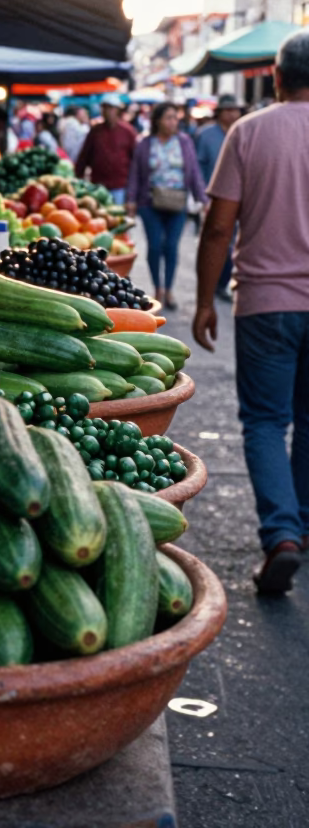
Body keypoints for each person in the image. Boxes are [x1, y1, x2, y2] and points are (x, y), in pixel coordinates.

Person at [193, 30, 309, 594]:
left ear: (276, 76)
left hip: (265, 303)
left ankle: (281, 535)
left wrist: (200, 300)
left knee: (266, 420)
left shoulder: (249, 131)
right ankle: (300, 529)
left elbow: (219, 226)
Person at [126, 102, 207, 309]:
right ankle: (158, 288)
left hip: (177, 202)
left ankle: (169, 289)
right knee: (154, 245)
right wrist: (131, 200)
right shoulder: (145, 143)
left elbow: (195, 172)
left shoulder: (185, 142)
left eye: (175, 117)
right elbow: (135, 173)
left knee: (171, 246)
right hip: (149, 202)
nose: (173, 121)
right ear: (157, 121)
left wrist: (203, 199)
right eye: (168, 117)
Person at [195, 93, 243, 301]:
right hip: (213, 197)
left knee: (234, 242)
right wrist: (201, 196)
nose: (233, 114)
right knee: (217, 237)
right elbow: (198, 167)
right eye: (228, 110)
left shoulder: (244, 133)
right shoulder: (206, 135)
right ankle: (213, 283)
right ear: (220, 113)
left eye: (235, 110)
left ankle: (221, 282)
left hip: (240, 199)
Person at [74, 94, 137, 204]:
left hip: (120, 186)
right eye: (104, 108)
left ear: (117, 110)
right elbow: (84, 156)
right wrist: (78, 177)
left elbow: (135, 161)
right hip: (98, 186)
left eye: (110, 108)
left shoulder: (128, 132)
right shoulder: (95, 131)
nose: (107, 111)